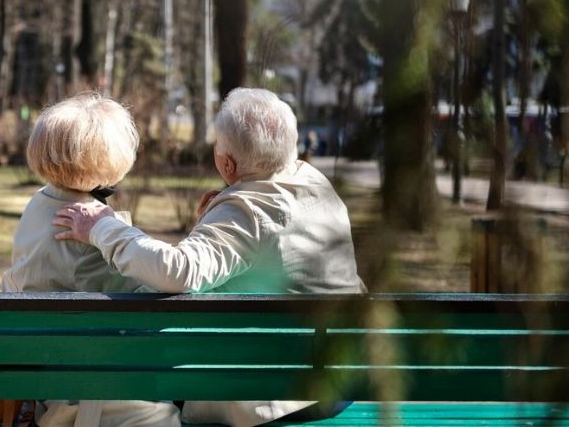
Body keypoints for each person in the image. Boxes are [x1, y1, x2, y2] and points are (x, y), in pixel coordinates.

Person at [53, 88, 366, 427]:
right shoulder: (313, 182)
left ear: (227, 163)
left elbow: (178, 272)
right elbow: (269, 257)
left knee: (134, 358)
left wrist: (102, 228)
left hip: (283, 393)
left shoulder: (245, 213)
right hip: (338, 377)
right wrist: (217, 216)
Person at [3, 92, 180, 427]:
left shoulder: (39, 205)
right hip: (86, 389)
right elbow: (146, 299)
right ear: (109, 158)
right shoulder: (86, 227)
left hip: (47, 371)